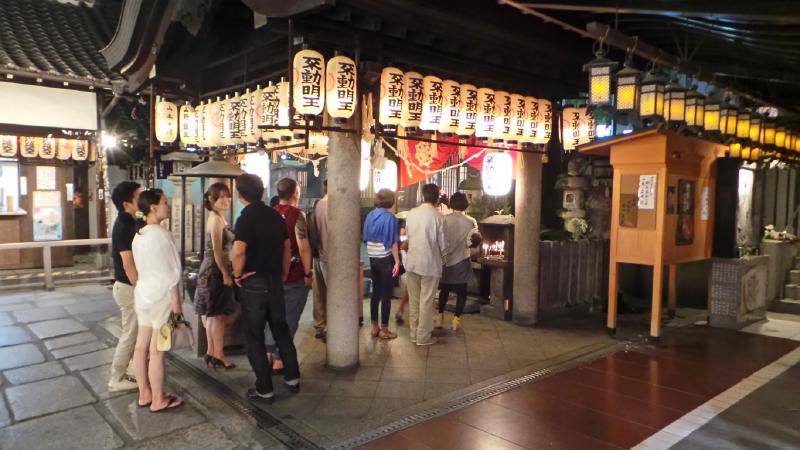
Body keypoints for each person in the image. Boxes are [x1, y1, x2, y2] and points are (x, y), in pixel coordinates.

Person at [231, 174, 300, 399]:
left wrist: (236, 274)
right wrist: (283, 274)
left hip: (254, 284)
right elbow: (288, 249)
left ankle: (265, 388)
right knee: (281, 331)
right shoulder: (275, 216)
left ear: (240, 194)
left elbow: (239, 251)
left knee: (255, 336)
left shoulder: (244, 219)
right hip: (275, 281)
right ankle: (292, 377)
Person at [132, 189, 184, 412]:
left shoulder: (139, 235)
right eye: (164, 202)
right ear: (153, 207)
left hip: (143, 296)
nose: (168, 205)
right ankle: (158, 400)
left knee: (140, 347)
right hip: (162, 300)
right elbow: (172, 272)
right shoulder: (162, 234)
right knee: (158, 351)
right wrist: (177, 305)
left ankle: (144, 393)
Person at [266, 178, 312, 373]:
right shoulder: (296, 214)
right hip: (293, 274)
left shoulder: (271, 213)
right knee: (290, 317)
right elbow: (303, 246)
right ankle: (279, 359)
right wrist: (308, 272)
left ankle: (267, 352)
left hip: (272, 274)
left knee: (273, 315)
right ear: (295, 193)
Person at [194, 182, 237, 370]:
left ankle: (212, 352)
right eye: (221, 198)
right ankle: (219, 354)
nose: (226, 201)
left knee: (211, 315)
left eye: (228, 197)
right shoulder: (217, 220)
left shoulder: (216, 217)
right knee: (218, 316)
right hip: (215, 270)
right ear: (211, 200)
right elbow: (217, 251)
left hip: (209, 269)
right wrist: (226, 274)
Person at [404, 183, 447, 346]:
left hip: (412, 262)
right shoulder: (438, 217)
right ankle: (423, 337)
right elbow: (443, 244)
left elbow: (408, 237)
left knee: (414, 300)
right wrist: (445, 259)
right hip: (430, 264)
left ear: (423, 196)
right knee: (427, 301)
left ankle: (414, 334)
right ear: (437, 198)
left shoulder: (411, 214)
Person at [108, 181, 141, 392]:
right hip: (128, 287)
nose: (142, 198)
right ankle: (116, 377)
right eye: (138, 196)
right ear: (127, 202)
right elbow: (128, 264)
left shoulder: (130, 221)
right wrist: (140, 288)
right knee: (129, 333)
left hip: (127, 286)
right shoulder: (123, 226)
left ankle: (129, 370)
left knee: (133, 332)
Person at [436, 192, 481, 331]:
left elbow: (439, 240)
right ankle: (456, 320)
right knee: (462, 291)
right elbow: (472, 241)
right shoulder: (470, 221)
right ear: (465, 204)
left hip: (445, 260)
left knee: (444, 289)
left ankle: (440, 317)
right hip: (462, 259)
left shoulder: (443, 219)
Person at [363, 189, 400, 339]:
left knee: (375, 293)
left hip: (372, 258)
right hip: (385, 259)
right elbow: (392, 242)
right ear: (390, 200)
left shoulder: (370, 215)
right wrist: (397, 261)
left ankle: (374, 327)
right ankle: (384, 329)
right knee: (386, 294)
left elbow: (365, 237)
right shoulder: (390, 217)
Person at [307, 180, 328, 341]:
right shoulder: (339, 207)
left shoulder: (316, 205)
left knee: (319, 293)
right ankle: (332, 327)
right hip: (332, 257)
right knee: (335, 294)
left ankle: (319, 325)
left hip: (317, 254)